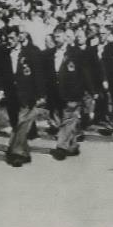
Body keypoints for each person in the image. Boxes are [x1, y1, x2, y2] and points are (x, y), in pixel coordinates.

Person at [0, 23, 47, 167]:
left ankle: (16, 152)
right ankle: (24, 153)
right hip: (11, 94)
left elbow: (38, 74)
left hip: (27, 94)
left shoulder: (31, 52)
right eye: (7, 38)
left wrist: (41, 94)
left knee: (22, 122)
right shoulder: (3, 53)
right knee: (15, 122)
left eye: (12, 38)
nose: (9, 41)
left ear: (19, 37)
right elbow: (0, 74)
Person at [45, 27, 84, 160]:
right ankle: (72, 146)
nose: (57, 40)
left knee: (67, 118)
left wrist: (82, 91)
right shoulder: (51, 53)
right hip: (57, 92)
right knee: (65, 119)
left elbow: (82, 74)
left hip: (72, 91)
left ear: (65, 37)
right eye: (55, 37)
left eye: (59, 37)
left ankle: (61, 147)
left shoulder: (75, 52)